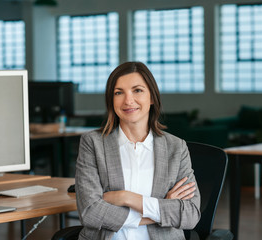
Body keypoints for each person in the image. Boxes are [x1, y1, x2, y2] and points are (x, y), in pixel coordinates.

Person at [75, 61, 201, 240]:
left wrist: (126, 198)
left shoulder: (176, 147)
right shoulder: (92, 144)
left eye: (137, 90)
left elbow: (190, 215)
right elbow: (90, 212)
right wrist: (162, 208)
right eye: (119, 93)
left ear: (151, 98)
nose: (128, 100)